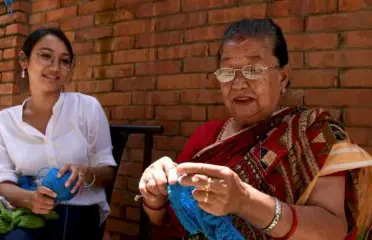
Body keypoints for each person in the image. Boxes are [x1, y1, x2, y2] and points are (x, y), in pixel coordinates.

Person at [138, 19, 372, 240]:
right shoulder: (206, 137)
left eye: (254, 70)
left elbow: (333, 230)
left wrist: (245, 201)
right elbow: (167, 220)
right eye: (228, 73)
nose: (239, 84)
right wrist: (155, 196)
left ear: (283, 76)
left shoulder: (313, 135)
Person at [0, 28, 116, 240]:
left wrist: (84, 173)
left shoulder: (86, 108)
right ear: (24, 60)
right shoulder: (4, 121)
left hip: (76, 210)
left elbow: (107, 171)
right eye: (46, 56)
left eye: (64, 61)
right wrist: (29, 199)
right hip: (20, 207)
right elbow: (1, 182)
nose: (55, 67)